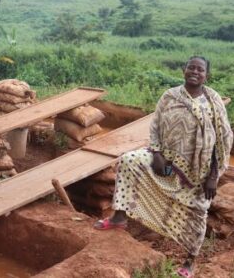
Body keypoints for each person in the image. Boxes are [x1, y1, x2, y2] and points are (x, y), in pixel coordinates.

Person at [94, 56, 233, 278]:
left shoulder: (213, 101)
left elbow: (224, 140)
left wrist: (214, 176)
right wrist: (157, 154)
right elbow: (155, 127)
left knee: (198, 211)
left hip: (199, 173)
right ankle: (119, 217)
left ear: (207, 74)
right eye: (191, 68)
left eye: (200, 69)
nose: (195, 72)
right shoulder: (169, 96)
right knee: (129, 160)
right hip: (167, 164)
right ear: (183, 70)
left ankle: (190, 261)